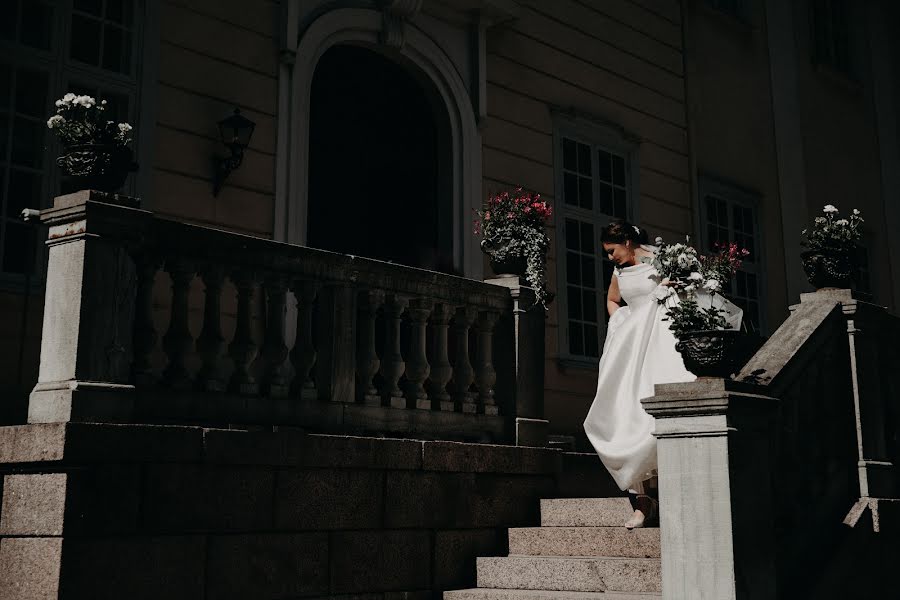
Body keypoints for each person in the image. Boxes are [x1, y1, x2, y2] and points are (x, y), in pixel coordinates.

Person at [582, 220, 742, 529]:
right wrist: (622, 323)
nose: (610, 258)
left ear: (628, 242)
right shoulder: (618, 272)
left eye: (612, 250)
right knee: (624, 413)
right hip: (630, 346)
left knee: (657, 410)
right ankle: (642, 503)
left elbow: (687, 293)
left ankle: (675, 493)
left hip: (660, 340)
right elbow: (613, 301)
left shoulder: (660, 260)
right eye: (606, 253)